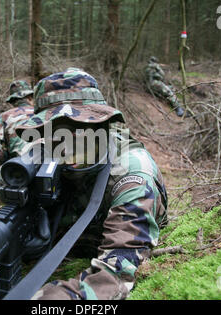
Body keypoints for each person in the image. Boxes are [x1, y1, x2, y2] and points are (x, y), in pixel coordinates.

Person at [15, 68, 168, 300]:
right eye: (56, 130)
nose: (69, 141)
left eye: (81, 126)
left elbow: (114, 277)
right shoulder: (41, 157)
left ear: (103, 126)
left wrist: (45, 300)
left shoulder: (131, 173)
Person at [0, 80, 35, 165]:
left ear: (13, 101)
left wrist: (6, 160)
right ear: (30, 98)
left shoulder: (4, 117)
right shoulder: (46, 113)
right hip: (52, 167)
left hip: (21, 168)